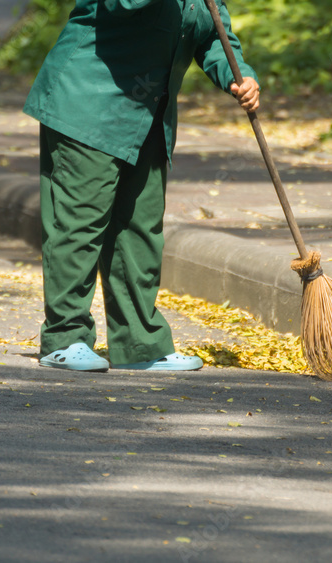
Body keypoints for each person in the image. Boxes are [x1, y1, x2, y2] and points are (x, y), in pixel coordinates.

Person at [24, 0, 260, 372]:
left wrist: (237, 74)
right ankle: (64, 338)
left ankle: (140, 345)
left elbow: (213, 31)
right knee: (79, 224)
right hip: (88, 105)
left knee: (140, 229)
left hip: (147, 116)